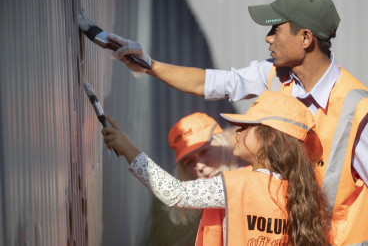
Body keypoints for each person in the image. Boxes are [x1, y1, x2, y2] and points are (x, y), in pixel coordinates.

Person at [107, 0, 368, 245]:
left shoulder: (358, 111)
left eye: (276, 29)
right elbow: (211, 83)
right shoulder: (274, 75)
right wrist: (149, 65)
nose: (267, 37)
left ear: (306, 38)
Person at [102, 91, 329, 245]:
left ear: (269, 138)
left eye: (246, 127)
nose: (236, 132)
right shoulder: (300, 193)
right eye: (190, 161)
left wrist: (130, 151)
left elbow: (174, 192)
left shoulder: (234, 185)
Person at [168, 112, 248, 225]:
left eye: (205, 151)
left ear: (223, 140)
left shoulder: (257, 175)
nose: (199, 166)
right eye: (190, 162)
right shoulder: (207, 196)